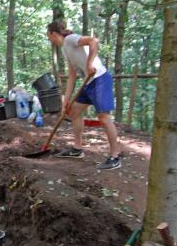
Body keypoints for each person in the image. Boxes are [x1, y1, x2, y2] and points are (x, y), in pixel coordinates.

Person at [46, 21, 121, 170]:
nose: (49, 39)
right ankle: (77, 149)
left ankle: (115, 157)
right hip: (88, 83)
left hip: (100, 78)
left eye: (49, 36)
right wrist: (65, 101)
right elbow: (72, 76)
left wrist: (90, 63)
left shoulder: (70, 39)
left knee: (103, 118)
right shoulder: (65, 49)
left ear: (53, 34)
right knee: (74, 111)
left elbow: (93, 41)